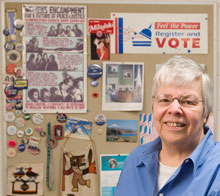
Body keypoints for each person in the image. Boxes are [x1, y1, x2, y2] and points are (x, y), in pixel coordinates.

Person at [114, 56, 220, 196]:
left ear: (205, 113)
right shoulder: (135, 160)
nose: (174, 109)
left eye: (188, 101)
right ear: (153, 108)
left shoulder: (216, 169)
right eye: (165, 99)